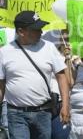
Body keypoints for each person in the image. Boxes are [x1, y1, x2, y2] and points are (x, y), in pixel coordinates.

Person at [0, 11, 70, 139]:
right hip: (15, 115)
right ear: (21, 32)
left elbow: (61, 77)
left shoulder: (49, 48)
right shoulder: (4, 52)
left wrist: (65, 106)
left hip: (43, 113)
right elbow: (1, 86)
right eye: (36, 29)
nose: (41, 32)